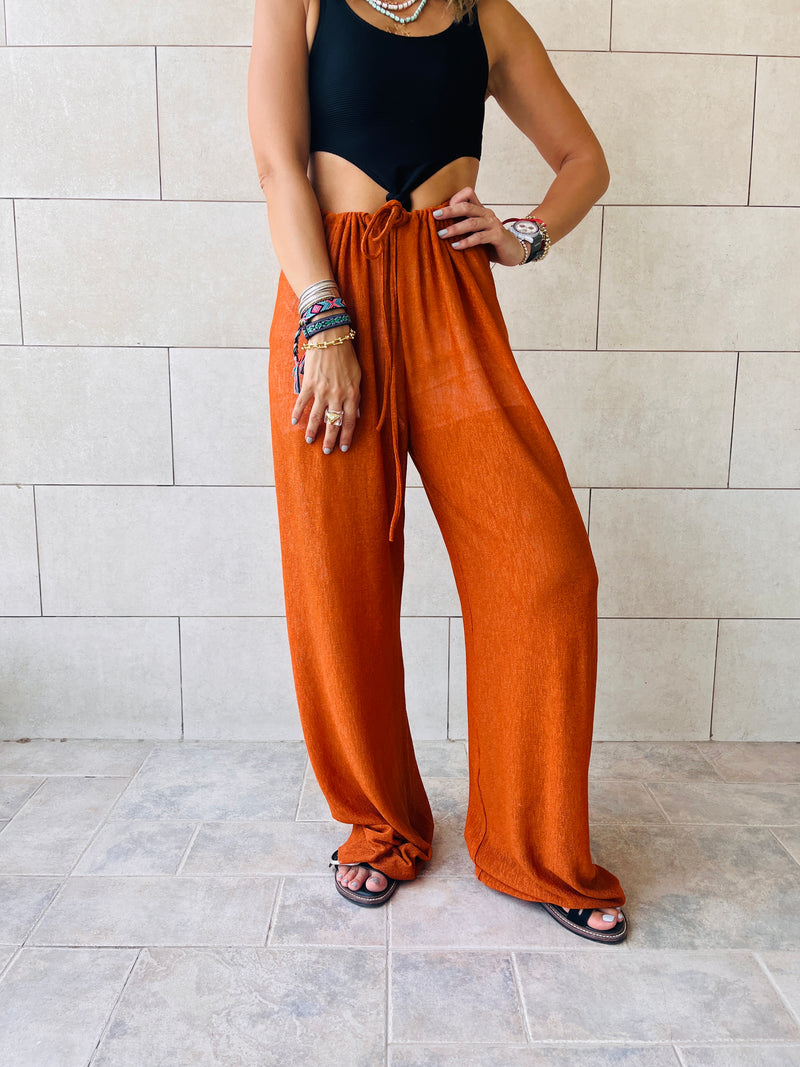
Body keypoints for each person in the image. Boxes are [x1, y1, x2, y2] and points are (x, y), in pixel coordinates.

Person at [248, 0, 628, 943]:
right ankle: (379, 824)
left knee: (544, 570)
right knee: (339, 580)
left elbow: (584, 159)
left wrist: (526, 233)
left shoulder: (484, 16)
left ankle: (534, 843)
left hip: (451, 294)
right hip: (329, 300)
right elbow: (278, 165)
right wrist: (325, 319)